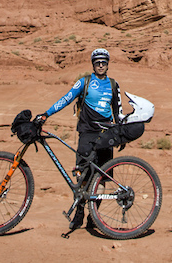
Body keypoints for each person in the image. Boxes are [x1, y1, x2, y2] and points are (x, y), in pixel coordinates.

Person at [35, 47, 121, 230]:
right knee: (83, 175)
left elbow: (118, 112)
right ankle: (79, 213)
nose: (100, 65)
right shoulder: (85, 82)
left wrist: (121, 135)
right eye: (97, 62)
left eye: (104, 62)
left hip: (106, 135)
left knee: (102, 178)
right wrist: (46, 114)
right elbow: (66, 99)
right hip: (87, 134)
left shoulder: (113, 85)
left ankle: (94, 217)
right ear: (93, 64)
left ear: (108, 64)